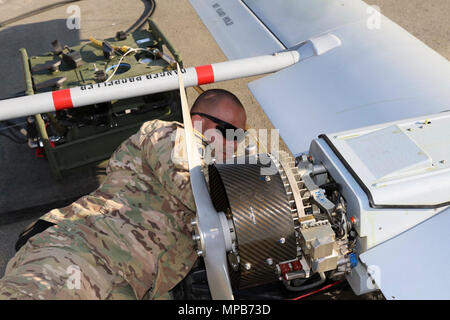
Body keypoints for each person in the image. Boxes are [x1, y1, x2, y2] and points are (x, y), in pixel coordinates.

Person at [0, 88, 247, 300]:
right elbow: (192, 185)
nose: (235, 144)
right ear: (197, 120)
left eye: (240, 136)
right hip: (79, 257)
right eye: (227, 131)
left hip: (123, 282)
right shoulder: (173, 135)